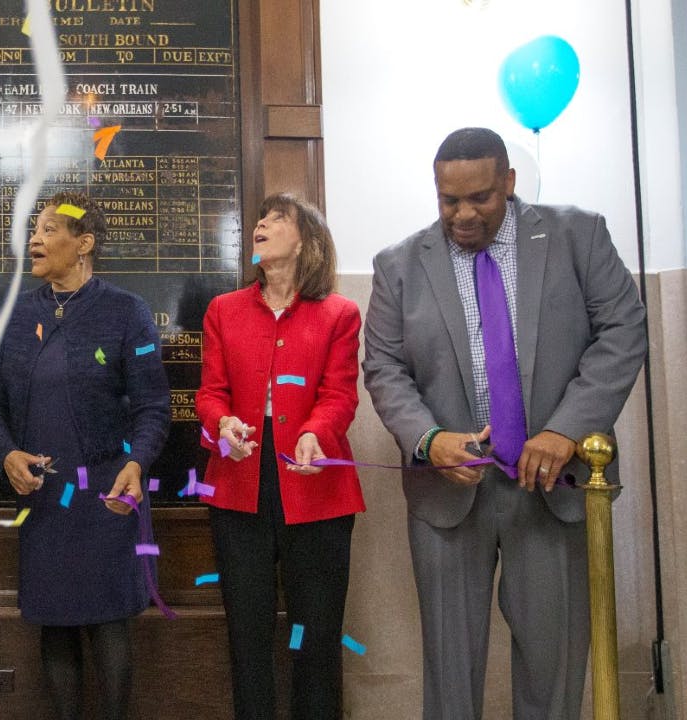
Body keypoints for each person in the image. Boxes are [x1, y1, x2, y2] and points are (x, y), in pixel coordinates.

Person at [362, 127, 647, 719]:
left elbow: (623, 330)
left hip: (551, 489)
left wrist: (566, 429)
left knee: (553, 669)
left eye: (480, 198)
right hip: (448, 497)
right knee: (450, 675)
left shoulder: (578, 236)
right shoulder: (399, 265)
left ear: (510, 182)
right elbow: (384, 366)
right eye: (449, 200)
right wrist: (428, 440)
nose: (463, 214)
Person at [0, 191, 170, 720]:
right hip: (45, 499)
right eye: (33, 230)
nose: (34, 240)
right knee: (55, 623)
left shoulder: (126, 312)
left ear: (83, 244)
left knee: (110, 622)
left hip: (109, 492)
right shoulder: (16, 315)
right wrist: (6, 454)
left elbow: (153, 406)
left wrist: (137, 463)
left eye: (48, 229)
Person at [194, 192, 364, 719]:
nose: (261, 224)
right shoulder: (224, 310)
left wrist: (316, 432)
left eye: (277, 218)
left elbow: (340, 395)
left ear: (306, 240)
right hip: (238, 481)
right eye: (260, 217)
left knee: (316, 636)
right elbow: (209, 393)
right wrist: (222, 424)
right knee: (248, 636)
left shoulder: (339, 313)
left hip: (315, 483)